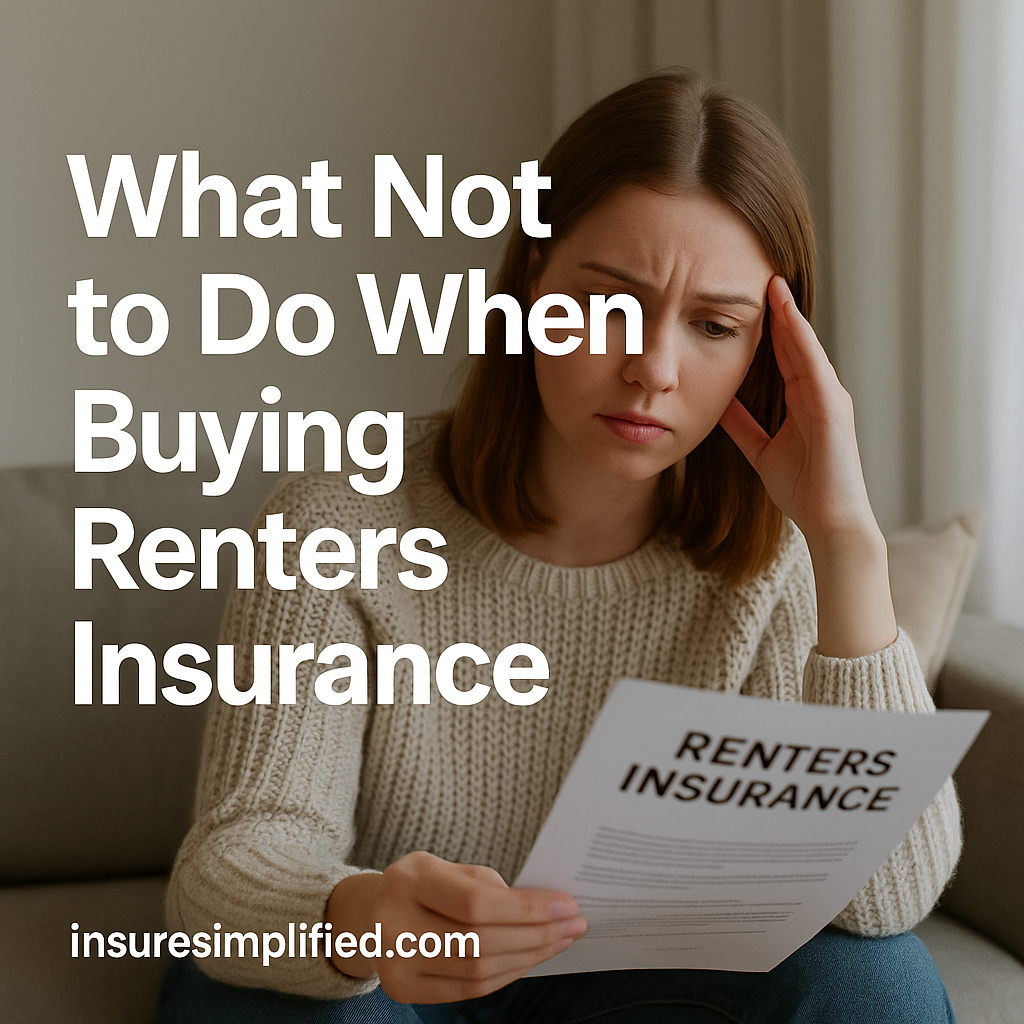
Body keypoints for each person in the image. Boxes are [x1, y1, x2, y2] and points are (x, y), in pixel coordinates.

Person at [159, 70, 960, 1022]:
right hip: (381, 978)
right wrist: (368, 916)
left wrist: (844, 545)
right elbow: (231, 868)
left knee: (878, 981)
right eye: (610, 302)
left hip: (631, 982)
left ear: (767, 355)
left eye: (714, 325)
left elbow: (886, 900)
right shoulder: (340, 520)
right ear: (531, 284)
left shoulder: (773, 562)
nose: (653, 369)